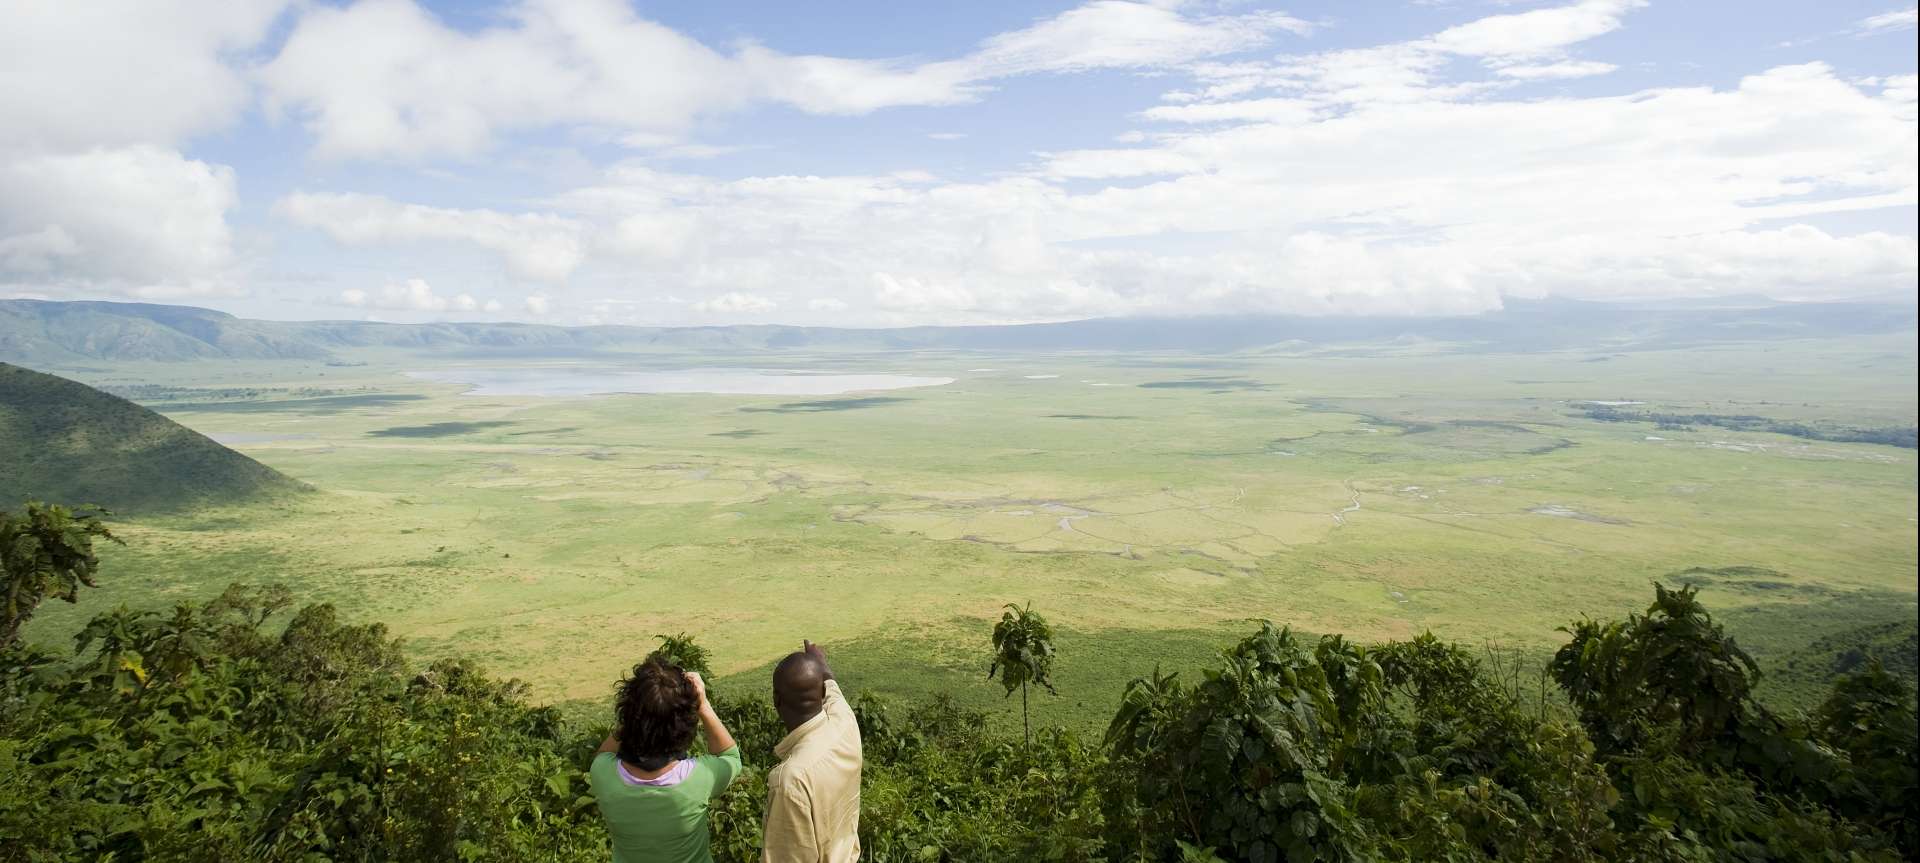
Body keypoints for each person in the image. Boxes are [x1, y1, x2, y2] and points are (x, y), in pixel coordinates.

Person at [590, 655, 742, 863]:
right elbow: (730, 757)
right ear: (685, 725)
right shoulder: (699, 779)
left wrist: (637, 717)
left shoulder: (603, 774)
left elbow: (603, 756)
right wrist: (703, 705)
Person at [762, 640, 862, 862]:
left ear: (776, 700)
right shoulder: (845, 723)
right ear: (821, 692)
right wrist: (821, 664)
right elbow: (833, 689)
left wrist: (818, 664)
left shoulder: (790, 779)